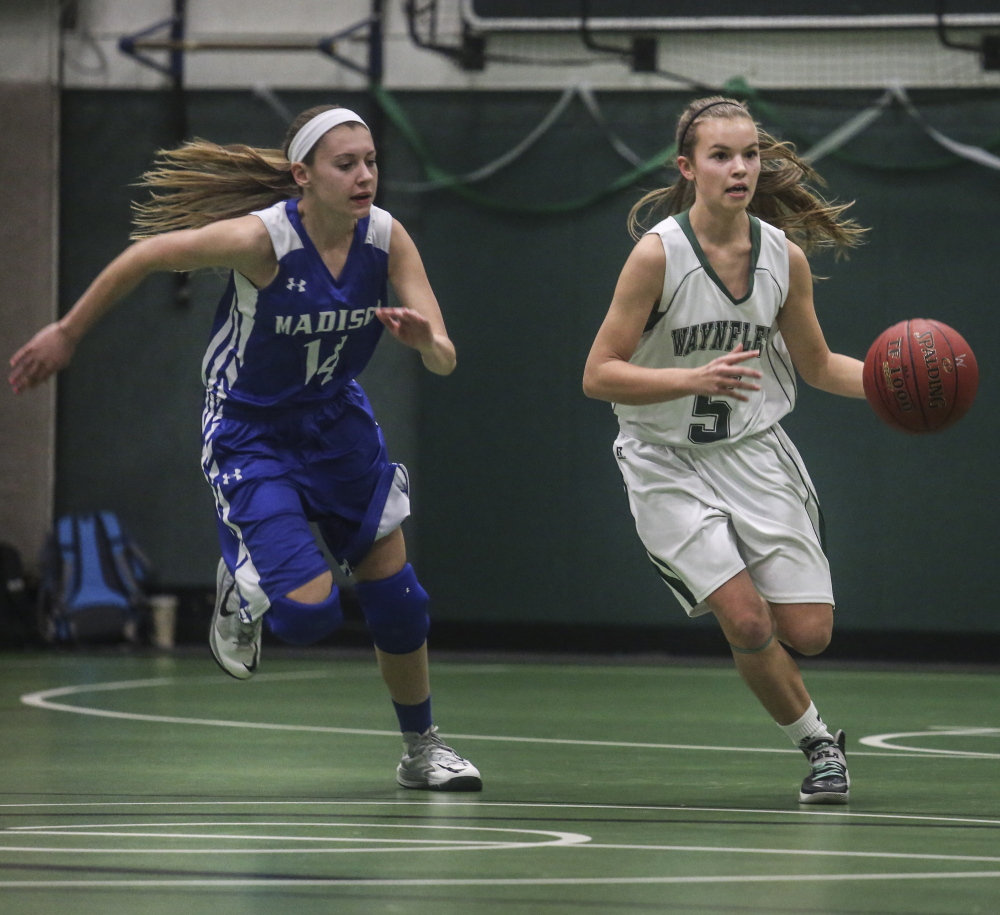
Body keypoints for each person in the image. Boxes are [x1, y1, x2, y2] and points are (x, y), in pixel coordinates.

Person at [9, 105, 482, 793]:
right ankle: (239, 575)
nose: (364, 176)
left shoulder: (386, 238)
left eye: (371, 161)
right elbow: (146, 255)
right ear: (303, 176)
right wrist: (67, 333)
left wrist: (425, 343)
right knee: (309, 615)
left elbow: (446, 358)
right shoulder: (262, 242)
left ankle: (422, 748)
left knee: (401, 601)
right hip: (252, 434)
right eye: (345, 164)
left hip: (338, 427)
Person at [583, 96, 868, 804]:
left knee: (811, 631)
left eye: (750, 155)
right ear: (689, 168)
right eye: (721, 155)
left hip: (752, 452)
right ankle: (817, 745)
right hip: (662, 458)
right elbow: (598, 373)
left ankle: (810, 720)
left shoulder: (784, 259)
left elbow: (821, 362)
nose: (740, 168)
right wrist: (691, 377)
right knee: (744, 618)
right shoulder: (658, 255)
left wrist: (897, 391)